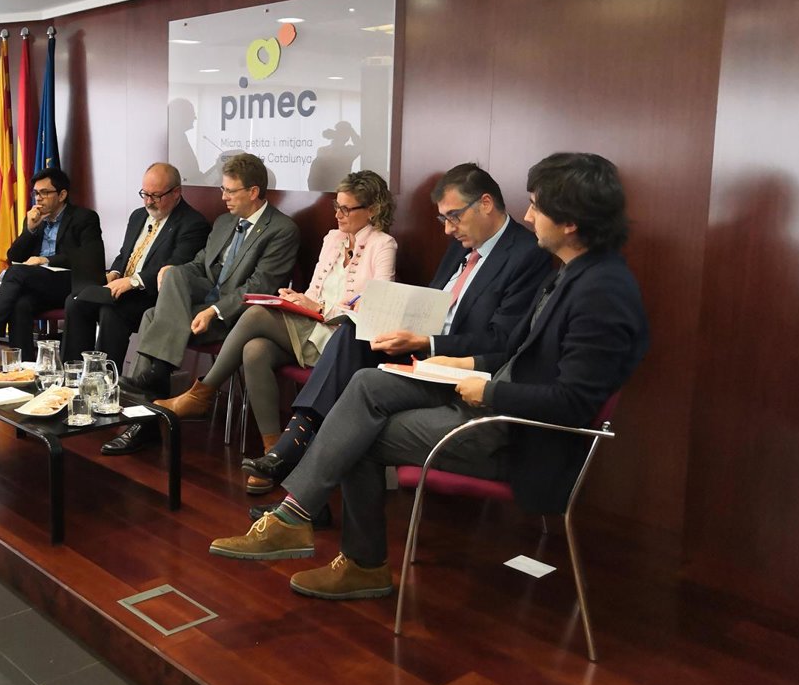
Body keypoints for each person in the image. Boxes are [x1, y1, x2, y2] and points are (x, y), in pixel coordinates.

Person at [208, 152, 649, 602]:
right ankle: (298, 519)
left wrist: (487, 388)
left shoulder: (602, 293)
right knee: (366, 384)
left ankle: (353, 558)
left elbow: (572, 404)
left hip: (516, 435)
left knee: (358, 434)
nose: (529, 215)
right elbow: (518, 352)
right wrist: (461, 364)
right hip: (489, 397)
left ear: (570, 221)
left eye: (537, 206)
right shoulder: (577, 274)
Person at [242, 163, 553, 511]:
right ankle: (301, 476)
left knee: (358, 388)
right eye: (443, 219)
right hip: (420, 347)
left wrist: (426, 343)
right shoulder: (462, 242)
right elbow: (435, 303)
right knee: (352, 333)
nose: (448, 229)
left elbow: (501, 340)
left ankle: (295, 470)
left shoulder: (527, 255)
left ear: (485, 203)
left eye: (454, 217)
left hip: (457, 368)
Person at [154, 170, 397, 495]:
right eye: (336, 207)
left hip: (341, 341)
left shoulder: (383, 244)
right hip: (311, 325)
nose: (338, 215)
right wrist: (298, 300)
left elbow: (376, 308)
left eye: (346, 209)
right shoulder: (333, 239)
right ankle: (274, 453)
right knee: (254, 349)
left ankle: (203, 393)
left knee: (256, 313)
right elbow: (314, 291)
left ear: (372, 209)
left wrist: (320, 308)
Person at [102, 152, 299, 455]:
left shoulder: (281, 230)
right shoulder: (223, 222)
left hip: (239, 318)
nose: (223, 197)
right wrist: (173, 271)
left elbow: (259, 288)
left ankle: (144, 419)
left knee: (153, 316)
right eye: (222, 189)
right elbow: (198, 265)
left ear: (253, 191)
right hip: (201, 302)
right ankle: (153, 387)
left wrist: (213, 311)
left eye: (230, 191)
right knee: (174, 274)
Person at [62, 163, 210, 369]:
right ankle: (73, 371)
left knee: (111, 312)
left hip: (151, 295)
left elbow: (175, 267)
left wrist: (133, 281)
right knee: (75, 301)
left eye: (156, 196)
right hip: (121, 287)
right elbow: (125, 254)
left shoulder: (193, 224)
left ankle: (103, 376)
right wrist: (115, 273)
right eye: (145, 194)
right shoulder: (138, 215)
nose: (149, 202)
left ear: (176, 192)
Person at [0, 168, 104, 359]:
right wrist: (30, 230)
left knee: (16, 273)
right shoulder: (35, 218)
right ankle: (24, 366)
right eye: (36, 193)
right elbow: (13, 256)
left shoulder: (84, 218)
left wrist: (46, 259)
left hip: (70, 282)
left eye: (45, 192)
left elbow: (87, 257)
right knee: (20, 304)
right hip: (39, 284)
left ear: (62, 195)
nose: (38, 198)